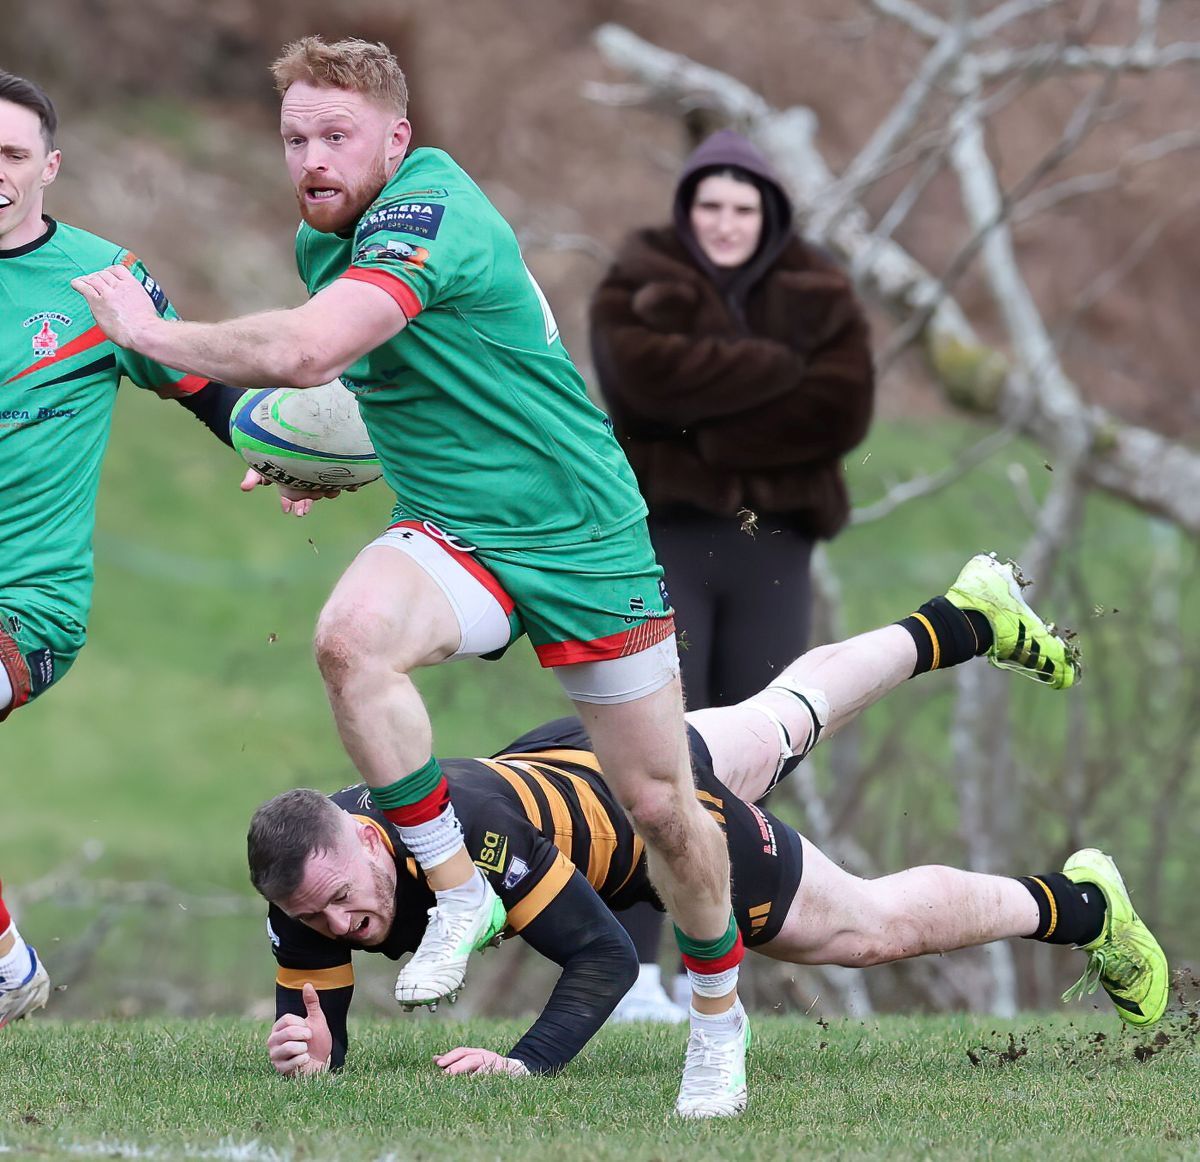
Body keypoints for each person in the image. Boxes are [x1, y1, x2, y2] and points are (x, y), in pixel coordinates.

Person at [71, 37, 752, 1117]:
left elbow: (306, 354)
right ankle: (456, 883)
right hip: (458, 532)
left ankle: (718, 1023)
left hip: (583, 538)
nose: (311, 157)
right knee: (350, 641)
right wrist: (334, 468)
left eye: (336, 135)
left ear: (399, 138)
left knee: (664, 807)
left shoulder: (425, 216)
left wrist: (150, 331)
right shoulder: (322, 238)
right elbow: (398, 388)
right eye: (295, 137)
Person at [247, 554, 1152, 1118]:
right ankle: (968, 615)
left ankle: (1084, 905)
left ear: (373, 843)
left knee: (867, 930)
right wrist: (314, 1049)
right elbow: (318, 1019)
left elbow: (602, 955)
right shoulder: (306, 878)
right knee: (789, 714)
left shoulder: (469, 840)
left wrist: (523, 1067)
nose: (336, 924)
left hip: (656, 828)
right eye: (312, 916)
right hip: (578, 765)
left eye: (340, 901)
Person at [589, 129, 875, 1020]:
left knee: (756, 748)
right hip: (667, 537)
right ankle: (632, 974)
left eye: (742, 207)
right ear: (686, 210)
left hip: (774, 548)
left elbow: (842, 407)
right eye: (709, 205)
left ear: (771, 214)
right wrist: (769, 376)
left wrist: (704, 425)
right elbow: (640, 387)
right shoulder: (635, 279)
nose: (725, 223)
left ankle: (705, 970)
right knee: (653, 744)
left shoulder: (821, 291)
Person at [0, 70, 247, 1025]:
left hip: (27, 609)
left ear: (48, 167)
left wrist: (285, 457)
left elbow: (207, 384)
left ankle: (10, 966)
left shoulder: (105, 283)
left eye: (13, 154)